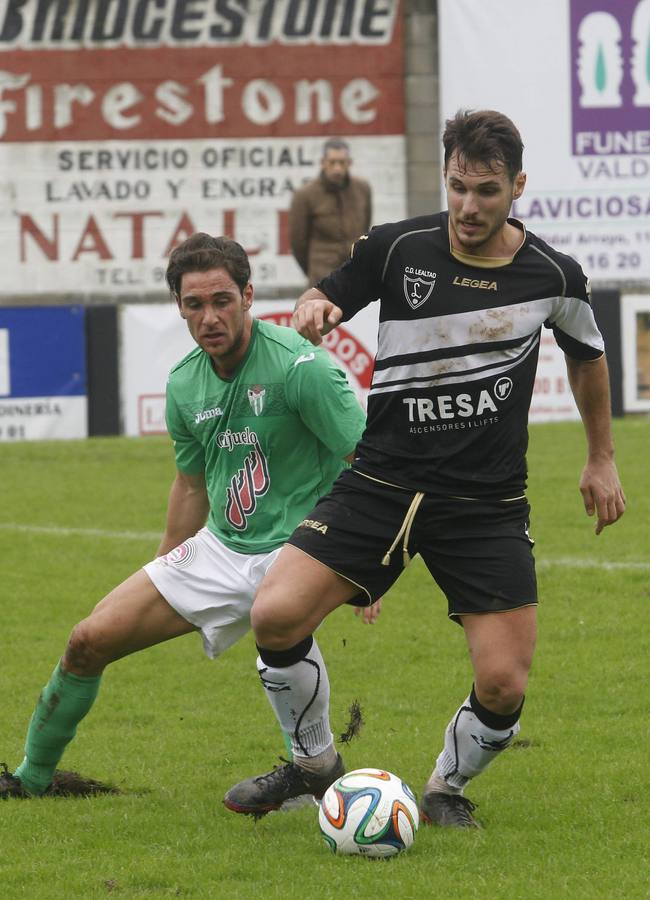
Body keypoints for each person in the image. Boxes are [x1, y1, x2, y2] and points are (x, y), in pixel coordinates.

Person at [223, 110, 626, 828]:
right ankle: (315, 764)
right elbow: (329, 290)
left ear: (518, 187)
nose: (468, 207)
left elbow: (588, 354)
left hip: (486, 503)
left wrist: (601, 457)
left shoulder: (553, 275)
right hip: (381, 482)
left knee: (502, 684)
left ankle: (445, 787)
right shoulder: (398, 246)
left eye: (487, 191)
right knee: (275, 614)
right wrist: (316, 308)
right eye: (457, 187)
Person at [0, 233, 369, 800]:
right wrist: (165, 568)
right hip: (221, 549)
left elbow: (367, 465)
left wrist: (362, 561)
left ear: (248, 296)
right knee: (87, 640)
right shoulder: (183, 382)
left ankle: (315, 771)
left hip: (301, 547)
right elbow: (190, 485)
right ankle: (30, 781)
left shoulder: (303, 369)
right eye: (194, 304)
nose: (209, 317)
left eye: (222, 300)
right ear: (179, 307)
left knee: (280, 630)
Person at [289, 137, 372, 285]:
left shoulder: (362, 189)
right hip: (321, 278)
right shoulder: (305, 194)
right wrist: (313, 269)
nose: (337, 168)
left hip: (354, 274)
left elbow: (365, 229)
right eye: (332, 162)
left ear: (349, 163)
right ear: (323, 163)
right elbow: (298, 243)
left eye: (342, 162)